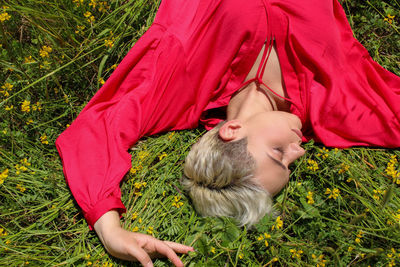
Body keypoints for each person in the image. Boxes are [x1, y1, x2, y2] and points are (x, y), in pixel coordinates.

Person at [55, 0, 400, 266]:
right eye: (290, 163)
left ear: (231, 131)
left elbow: (96, 128)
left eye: (277, 154)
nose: (299, 152)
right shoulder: (337, 104)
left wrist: (109, 228)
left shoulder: (178, 82)